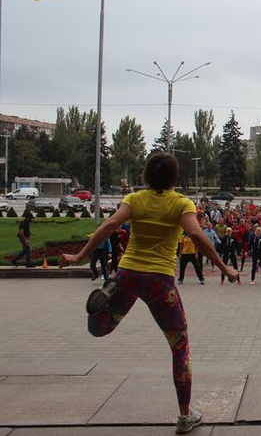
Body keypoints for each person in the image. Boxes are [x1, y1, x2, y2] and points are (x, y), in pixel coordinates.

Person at [59, 152, 239, 434]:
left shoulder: (134, 199)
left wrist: (80, 255)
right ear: (174, 177)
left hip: (128, 274)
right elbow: (196, 234)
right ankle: (185, 416)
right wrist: (224, 267)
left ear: (146, 175)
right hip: (159, 282)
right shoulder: (181, 203)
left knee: (102, 329)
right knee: (179, 345)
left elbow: (110, 224)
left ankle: (98, 311)